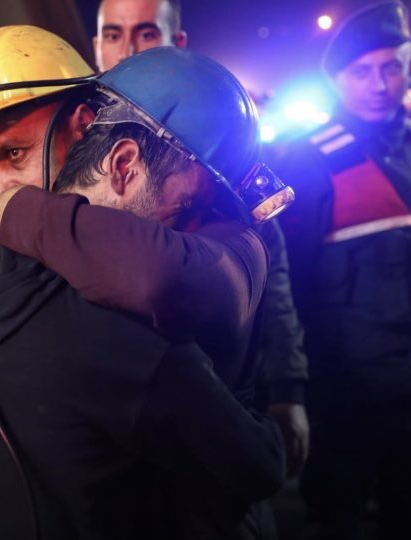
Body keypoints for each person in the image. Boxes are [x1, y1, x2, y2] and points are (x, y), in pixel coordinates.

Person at [0, 43, 286, 540]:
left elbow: (176, 275)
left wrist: (25, 212)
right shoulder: (98, 316)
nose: (0, 189)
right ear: (123, 164)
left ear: (85, 125)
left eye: (16, 152)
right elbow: (255, 463)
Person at [93, 0, 312, 479]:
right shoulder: (67, 139)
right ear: (95, 46)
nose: (128, 50)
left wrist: (287, 391)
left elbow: (270, 287)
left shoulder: (221, 149)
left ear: (179, 43)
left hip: (212, 408)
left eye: (147, 34)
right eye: (113, 35)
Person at [275, 2, 411, 539]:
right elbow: (286, 289)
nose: (379, 83)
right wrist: (289, 392)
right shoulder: (306, 161)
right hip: (347, 403)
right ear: (336, 79)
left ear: (410, 66)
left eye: (391, 66)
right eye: (361, 71)